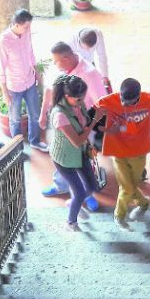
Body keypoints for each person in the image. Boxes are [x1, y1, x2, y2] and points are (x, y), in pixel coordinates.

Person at [95, 78, 150, 230]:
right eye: (122, 100)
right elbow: (93, 114)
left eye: (130, 102)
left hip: (139, 152)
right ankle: (119, 216)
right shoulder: (110, 100)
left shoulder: (149, 100)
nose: (125, 104)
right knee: (126, 188)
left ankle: (144, 204)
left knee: (131, 185)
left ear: (138, 97)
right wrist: (94, 136)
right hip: (118, 152)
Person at [39, 42, 107, 212]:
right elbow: (49, 90)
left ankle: (87, 193)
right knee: (62, 154)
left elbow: (102, 101)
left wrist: (93, 126)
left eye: (57, 61)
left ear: (67, 58)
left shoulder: (90, 74)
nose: (55, 65)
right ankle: (61, 184)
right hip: (61, 120)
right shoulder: (58, 69)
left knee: (83, 159)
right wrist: (43, 113)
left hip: (83, 122)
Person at [48, 75, 105, 231]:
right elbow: (77, 141)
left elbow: (84, 125)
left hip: (80, 154)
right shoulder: (60, 115)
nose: (82, 102)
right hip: (64, 159)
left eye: (83, 98)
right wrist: (95, 121)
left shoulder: (77, 104)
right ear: (67, 97)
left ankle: (73, 202)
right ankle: (71, 222)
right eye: (79, 99)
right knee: (79, 192)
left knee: (93, 185)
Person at [0, 9, 48, 152]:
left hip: (29, 82)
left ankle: (35, 141)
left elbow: (30, 53)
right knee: (15, 119)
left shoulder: (26, 33)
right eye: (26, 27)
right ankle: (17, 150)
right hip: (13, 87)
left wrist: (36, 72)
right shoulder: (3, 41)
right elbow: (0, 69)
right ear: (16, 25)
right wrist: (5, 92)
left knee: (34, 114)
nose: (28, 29)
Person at [68, 27, 111, 93]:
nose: (88, 50)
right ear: (79, 40)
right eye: (85, 48)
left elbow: (102, 56)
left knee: (96, 87)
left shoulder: (98, 34)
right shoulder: (71, 42)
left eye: (90, 48)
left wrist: (104, 75)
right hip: (77, 66)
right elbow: (69, 62)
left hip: (90, 63)